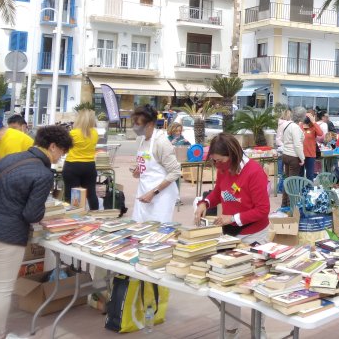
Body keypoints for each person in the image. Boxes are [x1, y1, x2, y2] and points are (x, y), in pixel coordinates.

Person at [0, 125, 71, 339]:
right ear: (53, 146)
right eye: (62, 151)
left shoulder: (9, 158)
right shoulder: (43, 174)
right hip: (8, 236)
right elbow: (32, 215)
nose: (61, 157)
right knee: (2, 290)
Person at [195, 133, 270, 338]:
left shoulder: (254, 172)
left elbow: (263, 210)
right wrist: (205, 203)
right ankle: (230, 329)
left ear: (232, 155)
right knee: (227, 281)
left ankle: (259, 328)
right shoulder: (223, 169)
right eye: (214, 161)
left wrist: (233, 218)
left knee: (255, 284)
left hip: (254, 234)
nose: (217, 165)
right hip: (230, 234)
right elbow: (219, 192)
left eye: (220, 160)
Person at [130, 105, 181, 222]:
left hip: (161, 195)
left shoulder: (161, 142)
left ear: (150, 125)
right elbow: (147, 167)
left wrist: (154, 192)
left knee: (157, 230)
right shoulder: (141, 140)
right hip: (143, 192)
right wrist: (137, 172)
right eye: (134, 123)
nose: (135, 127)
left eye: (138, 124)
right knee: (139, 227)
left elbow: (175, 172)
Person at [62, 109, 100, 211]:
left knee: (70, 194)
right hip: (89, 166)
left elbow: (65, 147)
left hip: (72, 165)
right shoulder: (95, 133)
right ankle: (95, 215)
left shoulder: (73, 133)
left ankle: (72, 216)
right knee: (91, 193)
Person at [280, 107, 306, 208]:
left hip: (285, 154)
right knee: (292, 182)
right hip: (293, 156)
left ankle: (284, 203)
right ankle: (291, 206)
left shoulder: (287, 125)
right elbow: (297, 145)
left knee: (287, 180)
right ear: (302, 117)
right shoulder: (295, 127)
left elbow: (283, 139)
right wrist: (302, 158)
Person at [301, 111, 323, 182]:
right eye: (306, 117)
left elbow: (320, 133)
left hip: (310, 154)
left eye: (309, 117)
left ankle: (309, 191)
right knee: (300, 175)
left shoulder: (314, 127)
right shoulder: (300, 125)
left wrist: (314, 122)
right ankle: (299, 192)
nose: (307, 118)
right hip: (300, 154)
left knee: (310, 175)